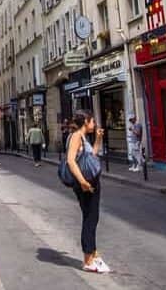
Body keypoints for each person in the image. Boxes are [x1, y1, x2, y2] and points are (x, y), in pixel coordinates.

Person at [66, 111, 108, 273]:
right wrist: (83, 181)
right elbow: (70, 160)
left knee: (91, 217)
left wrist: (98, 138)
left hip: (89, 181)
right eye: (92, 121)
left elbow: (91, 157)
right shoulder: (77, 136)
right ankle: (88, 260)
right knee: (90, 219)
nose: (94, 123)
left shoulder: (82, 137)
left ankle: (93, 253)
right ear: (85, 121)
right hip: (86, 183)